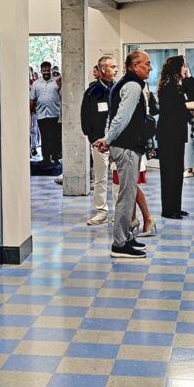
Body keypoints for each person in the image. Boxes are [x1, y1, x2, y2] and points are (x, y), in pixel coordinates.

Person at [94, 50, 154, 259]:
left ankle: (127, 236)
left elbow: (114, 116)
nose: (150, 68)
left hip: (126, 145)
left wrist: (108, 141)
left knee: (128, 193)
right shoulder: (132, 85)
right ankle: (119, 244)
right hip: (128, 147)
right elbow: (121, 117)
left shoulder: (124, 84)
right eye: (146, 64)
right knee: (126, 196)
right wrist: (108, 140)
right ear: (134, 65)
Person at [156, 55, 194, 219]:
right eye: (184, 67)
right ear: (176, 68)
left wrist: (189, 111)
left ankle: (176, 207)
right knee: (169, 173)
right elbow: (172, 110)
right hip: (168, 135)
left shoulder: (178, 85)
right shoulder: (169, 86)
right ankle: (168, 209)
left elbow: (193, 93)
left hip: (176, 134)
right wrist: (186, 107)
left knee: (176, 172)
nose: (186, 69)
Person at [81, 56, 117, 225]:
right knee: (100, 178)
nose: (115, 70)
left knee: (118, 178)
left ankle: (119, 211)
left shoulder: (118, 88)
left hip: (117, 142)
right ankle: (101, 211)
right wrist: (94, 139)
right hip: (98, 143)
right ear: (103, 69)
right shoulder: (92, 91)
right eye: (112, 67)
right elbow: (85, 117)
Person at [29, 61, 62, 173]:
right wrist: (31, 111)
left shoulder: (56, 82)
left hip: (54, 114)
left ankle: (55, 157)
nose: (46, 72)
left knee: (54, 137)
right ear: (41, 70)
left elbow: (62, 95)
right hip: (42, 115)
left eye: (48, 70)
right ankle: (46, 158)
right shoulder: (36, 84)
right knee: (44, 137)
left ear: (50, 70)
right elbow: (32, 99)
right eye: (44, 70)